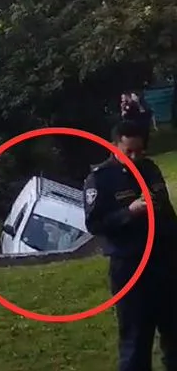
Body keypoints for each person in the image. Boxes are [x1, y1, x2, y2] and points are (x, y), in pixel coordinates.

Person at [83, 121, 177, 371]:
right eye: (129, 152)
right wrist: (129, 212)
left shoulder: (150, 169)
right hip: (131, 268)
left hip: (165, 263)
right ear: (114, 146)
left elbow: (167, 213)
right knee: (136, 340)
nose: (134, 157)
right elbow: (95, 224)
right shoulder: (100, 179)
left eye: (139, 151)